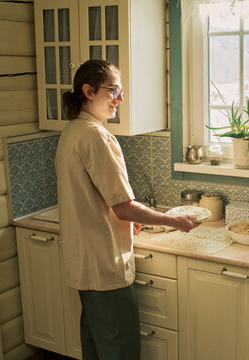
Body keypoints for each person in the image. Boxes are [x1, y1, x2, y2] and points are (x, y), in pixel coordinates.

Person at [55, 59, 199, 360]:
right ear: (89, 91)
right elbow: (122, 206)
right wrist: (174, 220)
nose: (120, 99)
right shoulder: (97, 136)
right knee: (120, 351)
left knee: (96, 346)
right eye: (114, 91)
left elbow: (98, 201)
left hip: (83, 262)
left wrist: (125, 218)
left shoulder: (72, 132)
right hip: (104, 264)